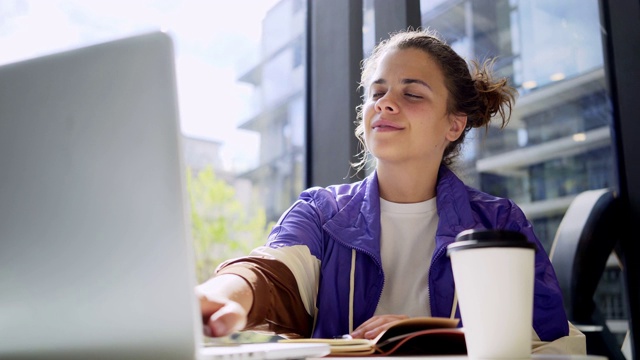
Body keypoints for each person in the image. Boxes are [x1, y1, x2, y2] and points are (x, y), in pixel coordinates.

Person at [196, 27, 586, 354]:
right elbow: (269, 273)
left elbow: (552, 343)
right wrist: (221, 294)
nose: (385, 104)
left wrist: (433, 336)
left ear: (453, 125)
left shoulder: (499, 222)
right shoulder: (320, 211)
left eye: (411, 94)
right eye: (377, 93)